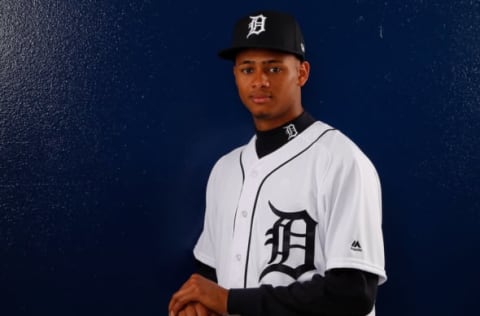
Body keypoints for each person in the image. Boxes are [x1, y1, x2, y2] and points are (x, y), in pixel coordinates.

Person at [169, 10, 386, 316]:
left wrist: (229, 302)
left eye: (273, 69)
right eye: (247, 69)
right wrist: (197, 303)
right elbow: (210, 276)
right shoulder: (224, 170)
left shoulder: (340, 160)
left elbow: (353, 294)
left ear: (302, 73)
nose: (259, 81)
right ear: (235, 76)